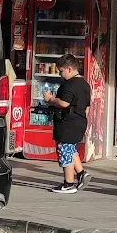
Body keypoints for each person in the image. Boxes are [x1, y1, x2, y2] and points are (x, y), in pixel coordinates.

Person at [44, 54, 91, 195]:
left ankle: (68, 183)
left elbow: (64, 103)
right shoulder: (84, 84)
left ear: (69, 69)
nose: (60, 74)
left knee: (65, 151)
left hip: (67, 123)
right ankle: (82, 173)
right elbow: (87, 107)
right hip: (80, 121)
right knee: (71, 149)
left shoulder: (70, 85)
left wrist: (51, 99)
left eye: (61, 71)